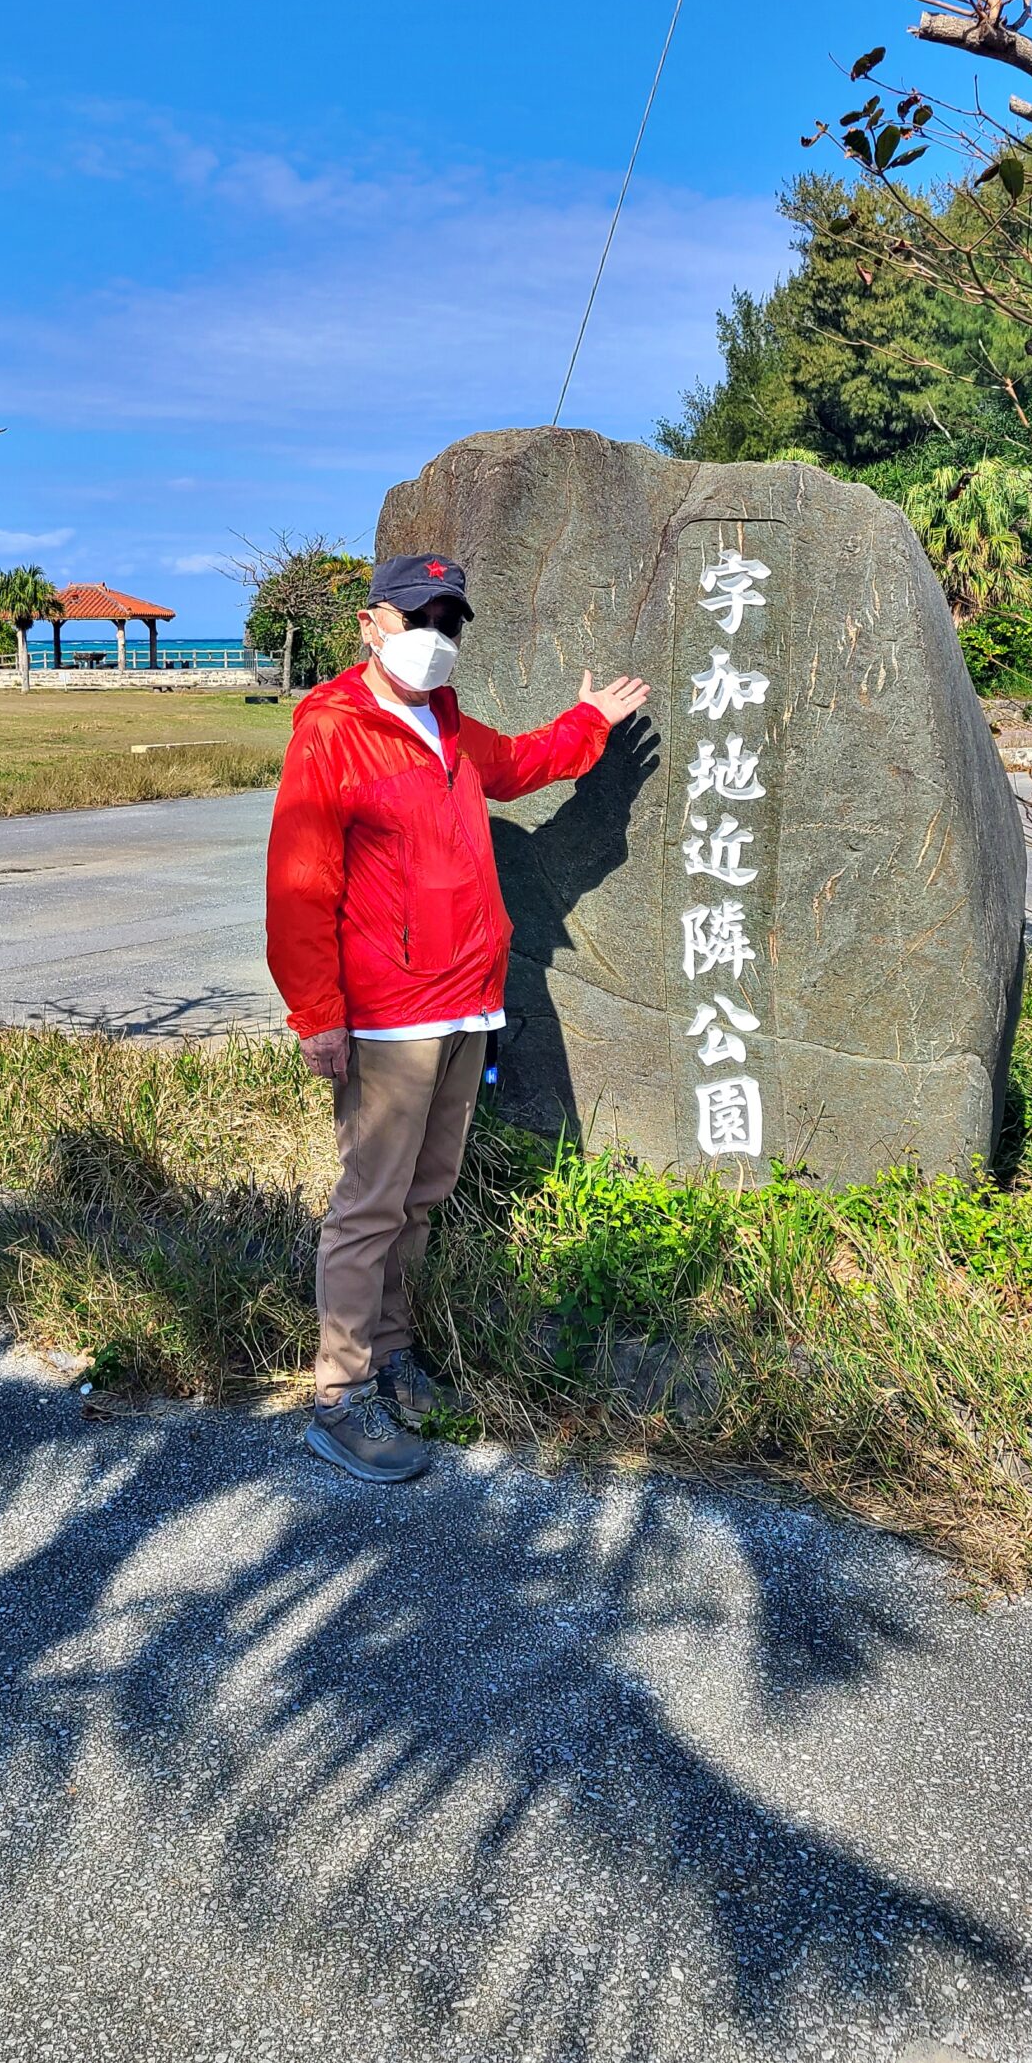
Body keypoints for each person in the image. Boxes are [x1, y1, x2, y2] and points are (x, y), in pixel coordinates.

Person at [265, 551, 650, 1484]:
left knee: (424, 1194)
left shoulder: (445, 723)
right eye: (417, 617)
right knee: (368, 1204)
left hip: (468, 1000)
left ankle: (392, 1355)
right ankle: (340, 1395)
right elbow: (299, 882)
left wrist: (587, 723)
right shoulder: (334, 729)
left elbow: (515, 768)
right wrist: (317, 1012)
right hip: (388, 1013)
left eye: (450, 621)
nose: (435, 638)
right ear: (371, 624)